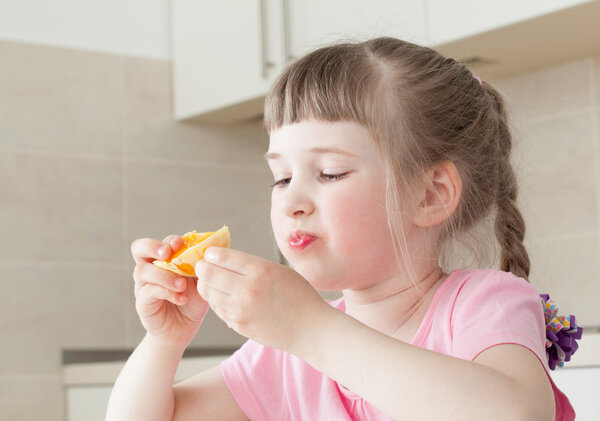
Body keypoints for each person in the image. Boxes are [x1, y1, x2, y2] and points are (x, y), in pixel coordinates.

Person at [106, 37, 581, 421]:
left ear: (429, 195)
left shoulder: (482, 304)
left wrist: (309, 328)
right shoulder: (285, 355)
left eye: (330, 172)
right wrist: (165, 341)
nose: (291, 201)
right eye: (282, 177)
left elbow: (514, 414)